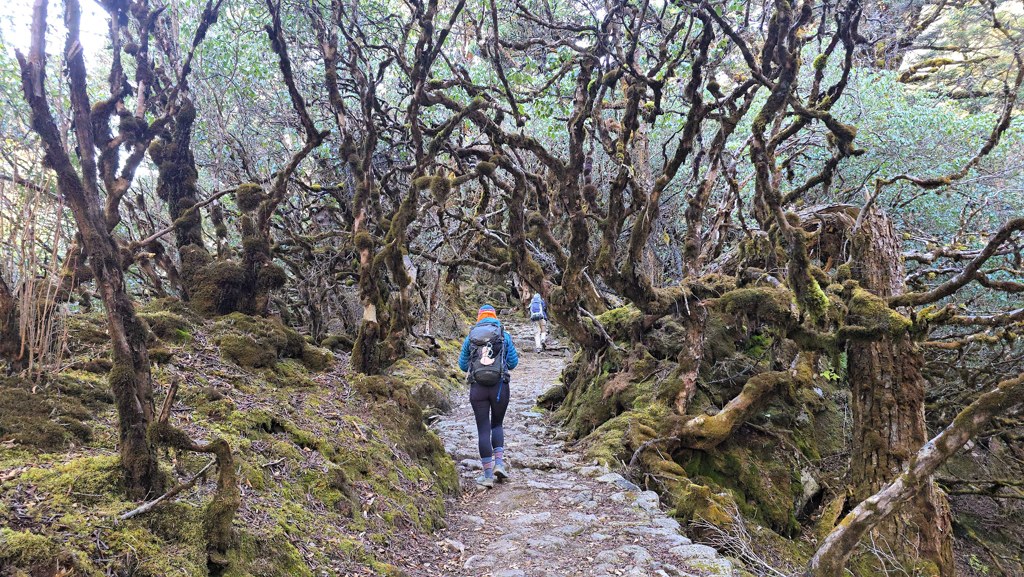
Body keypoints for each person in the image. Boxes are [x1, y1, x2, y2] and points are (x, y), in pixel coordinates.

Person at [458, 304, 519, 488]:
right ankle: (499, 464)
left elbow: (462, 365)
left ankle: (487, 476)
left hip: (478, 389)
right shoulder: (503, 335)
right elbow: (513, 363)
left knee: (483, 429)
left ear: (479, 317)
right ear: (494, 317)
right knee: (497, 425)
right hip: (500, 387)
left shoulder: (471, 337)